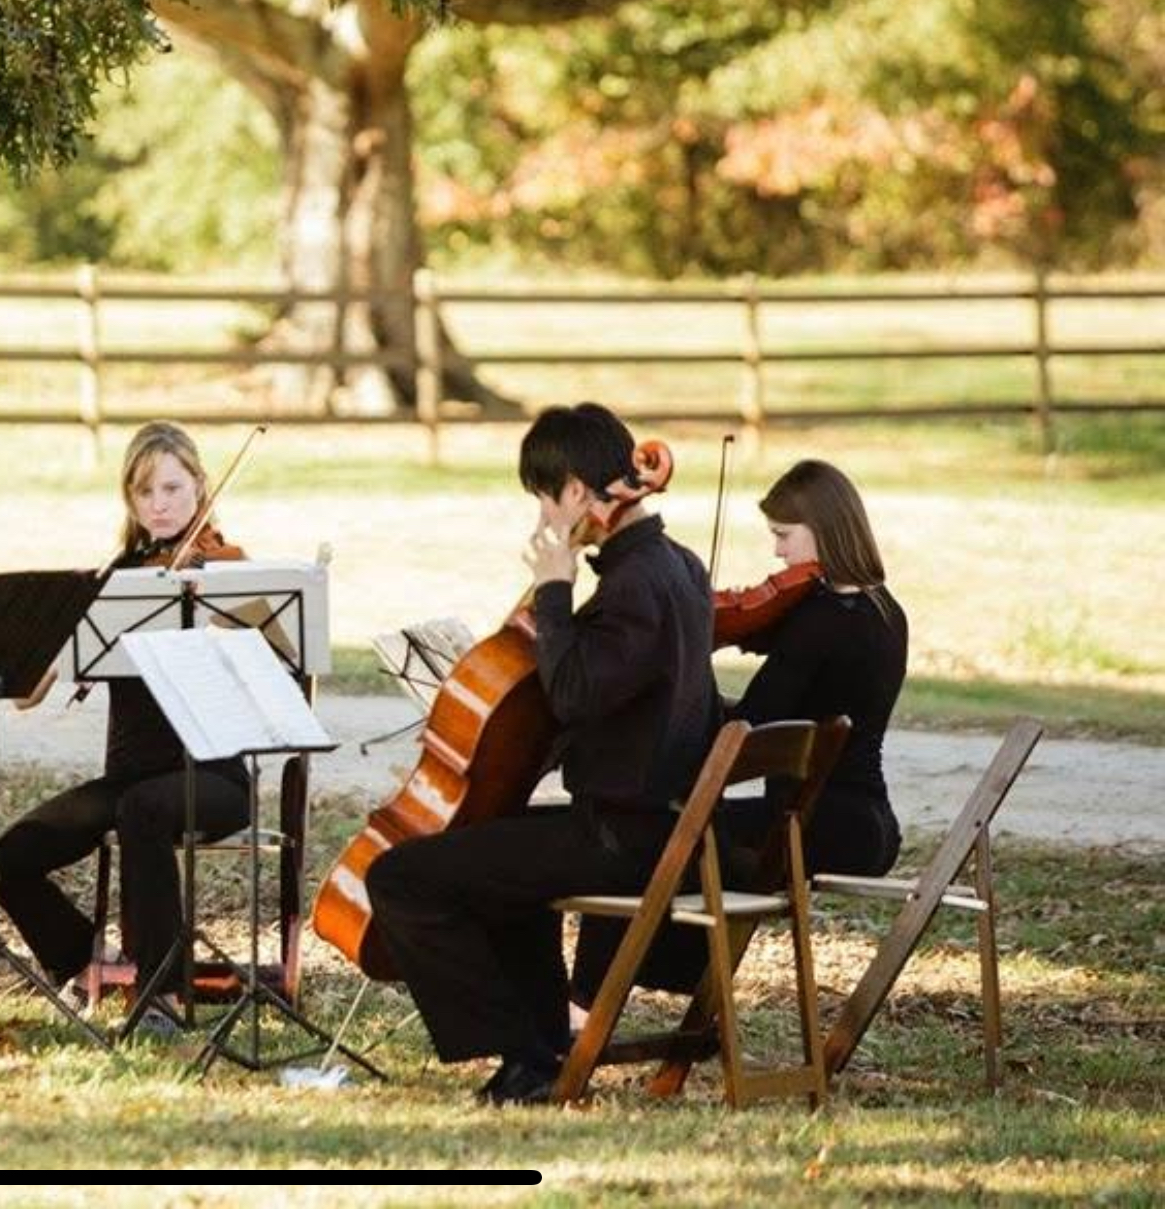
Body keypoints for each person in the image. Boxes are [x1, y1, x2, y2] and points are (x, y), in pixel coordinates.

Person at [362, 402, 720, 1105]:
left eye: (544, 500)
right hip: (652, 824)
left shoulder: (634, 585)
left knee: (404, 878)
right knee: (497, 863)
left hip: (623, 837)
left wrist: (556, 586)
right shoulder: (678, 566)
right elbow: (609, 698)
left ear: (580, 494)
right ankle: (543, 1050)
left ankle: (523, 1051)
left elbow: (577, 692)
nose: (542, 521)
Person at [568, 457, 907, 1009]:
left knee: (639, 840)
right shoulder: (880, 610)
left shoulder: (820, 622)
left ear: (826, 528)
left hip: (818, 824)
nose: (778, 553)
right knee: (665, 839)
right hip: (858, 822)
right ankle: (637, 993)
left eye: (784, 536)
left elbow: (744, 733)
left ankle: (586, 1007)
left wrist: (680, 690)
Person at [0, 421, 252, 1026]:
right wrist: (37, 657)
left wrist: (224, 623)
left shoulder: (226, 571)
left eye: (171, 489)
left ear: (201, 488)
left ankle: (160, 996)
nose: (159, 505)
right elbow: (30, 695)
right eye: (144, 493)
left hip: (214, 776)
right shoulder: (116, 580)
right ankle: (89, 963)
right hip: (131, 778)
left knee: (144, 809)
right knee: (8, 858)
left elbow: (267, 651)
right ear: (130, 501)